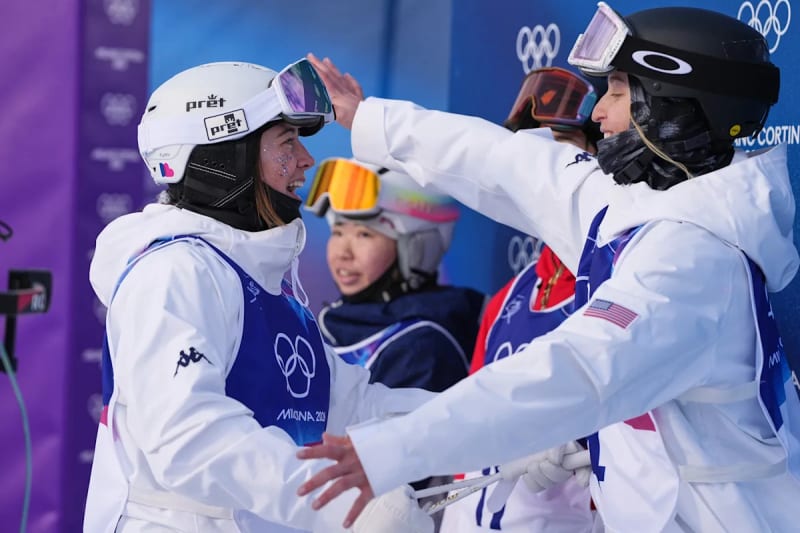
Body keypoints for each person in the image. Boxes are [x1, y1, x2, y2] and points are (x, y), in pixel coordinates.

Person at [297, 4, 800, 532]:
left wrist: (392, 450)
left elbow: (574, 373)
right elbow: (504, 163)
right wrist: (369, 117)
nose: (599, 113)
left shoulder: (691, 264)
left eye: (619, 92)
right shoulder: (639, 208)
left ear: (674, 109)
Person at [83, 59, 438, 533]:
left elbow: (355, 409)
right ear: (225, 159)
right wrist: (345, 506)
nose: (306, 161)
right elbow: (188, 437)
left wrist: (501, 433)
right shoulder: (176, 272)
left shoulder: (268, 284)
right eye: (287, 143)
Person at [439, 66, 604, 533]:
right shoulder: (506, 300)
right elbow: (465, 457)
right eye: (527, 157)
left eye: (560, 154)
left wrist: (591, 453)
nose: (540, 175)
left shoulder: (628, 285)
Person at [307, 158, 484, 392]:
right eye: (338, 232)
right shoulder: (337, 322)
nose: (343, 253)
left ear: (415, 248)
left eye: (364, 235)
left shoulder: (420, 346)